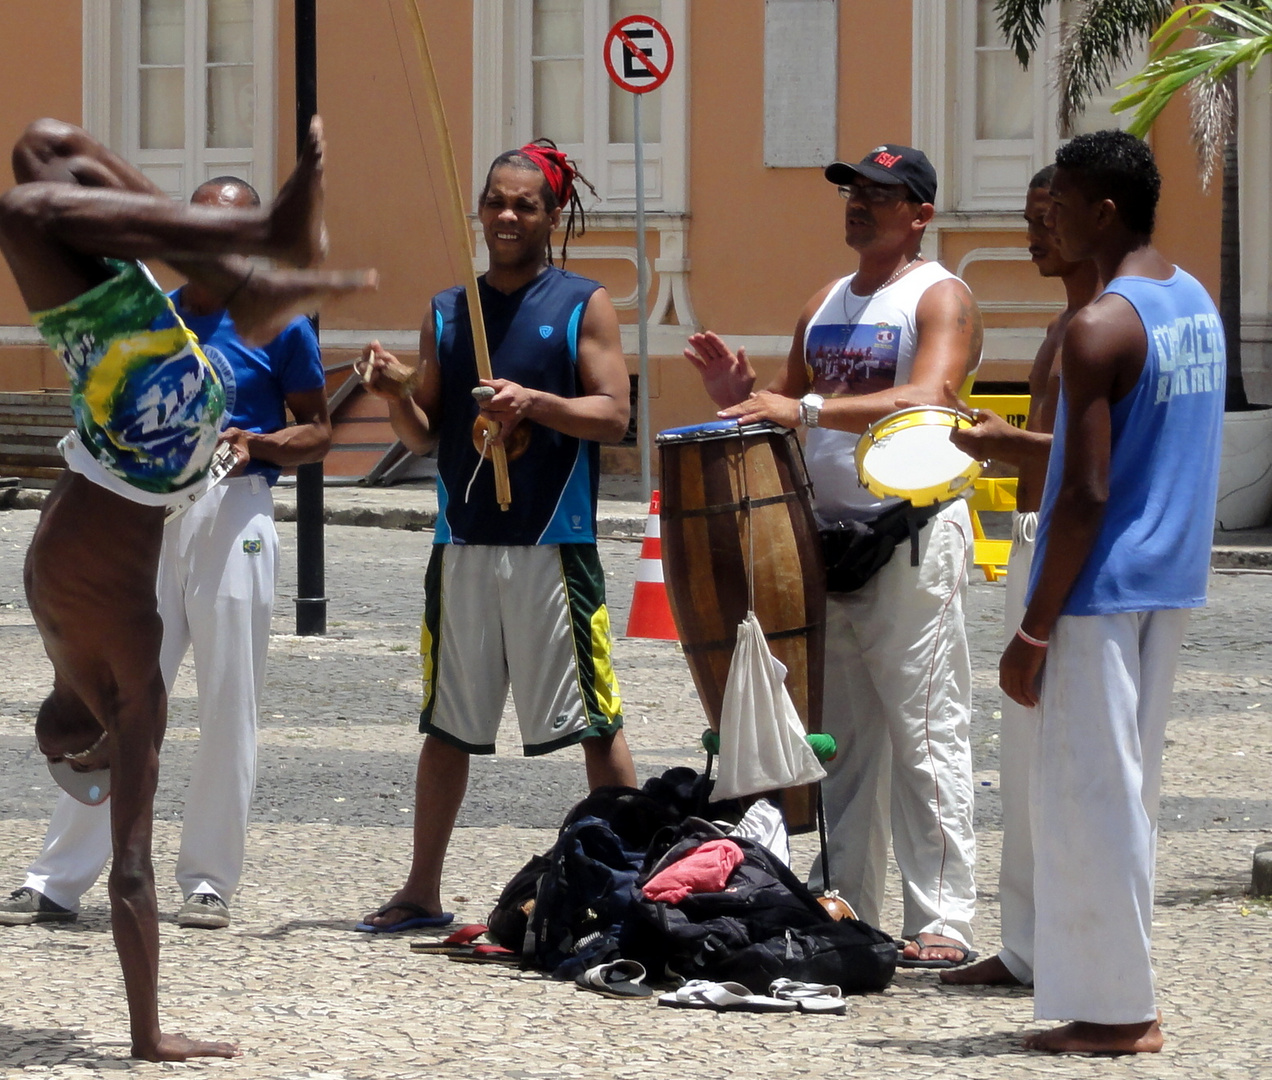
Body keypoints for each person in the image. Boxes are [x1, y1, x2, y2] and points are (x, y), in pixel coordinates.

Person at [0, 116, 373, 1061]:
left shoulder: (64, 623)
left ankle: (257, 258)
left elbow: (126, 872)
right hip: (155, 420)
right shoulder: (102, 656)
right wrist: (147, 1034)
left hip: (137, 406)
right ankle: (258, 255)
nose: (66, 744)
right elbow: (132, 874)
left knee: (41, 155)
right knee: (24, 201)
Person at [684, 144, 983, 966]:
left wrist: (806, 403)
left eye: (881, 194)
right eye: (854, 189)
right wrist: (737, 400)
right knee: (843, 743)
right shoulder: (826, 302)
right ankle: (850, 897)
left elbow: (934, 398)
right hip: (831, 547)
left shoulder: (940, 296)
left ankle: (945, 918)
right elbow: (784, 411)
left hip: (910, 535)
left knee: (925, 732)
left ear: (919, 213)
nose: (859, 202)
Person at [356, 142, 637, 932]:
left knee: (595, 719)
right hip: (464, 543)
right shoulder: (450, 311)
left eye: (525, 205)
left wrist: (534, 403)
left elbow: (614, 414)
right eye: (496, 202)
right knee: (447, 723)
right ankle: (420, 890)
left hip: (555, 543)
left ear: (552, 216)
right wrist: (388, 393)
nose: (507, 217)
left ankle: (628, 882)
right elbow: (421, 436)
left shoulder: (585, 302)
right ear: (479, 210)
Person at [1001, 130, 1224, 1054]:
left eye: (1064, 201)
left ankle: (1120, 1012)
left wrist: (1036, 625)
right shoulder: (1194, 302)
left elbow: (1087, 492)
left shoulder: (1101, 325)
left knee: (1091, 797)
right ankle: (1111, 996)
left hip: (1099, 587)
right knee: (1128, 794)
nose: (1046, 213)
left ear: (1104, 211)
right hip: (1167, 580)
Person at [939, 166, 1101, 988]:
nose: (1033, 233)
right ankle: (1026, 946)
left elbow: (1093, 462)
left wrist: (1000, 442)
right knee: (1023, 753)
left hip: (1072, 550)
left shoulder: (1106, 327)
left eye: (1048, 217)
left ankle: (1074, 950)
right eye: (1028, 217)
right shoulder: (1059, 323)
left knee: (1065, 753)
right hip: (1028, 536)